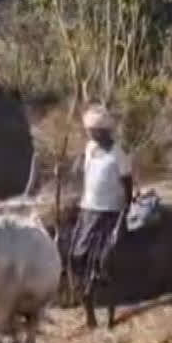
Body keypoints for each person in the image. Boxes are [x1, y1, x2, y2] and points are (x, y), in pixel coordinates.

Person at [70, 104, 133, 329]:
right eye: (89, 130)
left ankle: (106, 312)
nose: (90, 134)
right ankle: (87, 302)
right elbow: (79, 173)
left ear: (104, 131)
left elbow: (127, 183)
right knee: (78, 256)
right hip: (88, 210)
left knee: (104, 261)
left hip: (110, 212)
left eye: (93, 130)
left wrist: (125, 209)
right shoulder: (89, 148)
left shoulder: (119, 153)